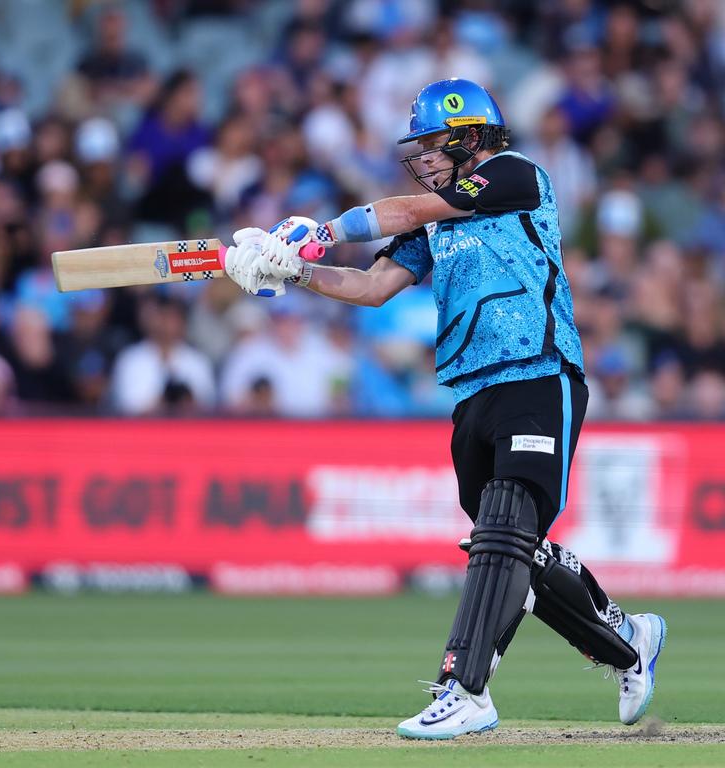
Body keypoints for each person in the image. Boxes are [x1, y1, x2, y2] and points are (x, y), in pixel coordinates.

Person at [222, 78, 666, 739]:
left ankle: (466, 688)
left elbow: (400, 212)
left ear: (473, 139)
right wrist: (293, 273)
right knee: (510, 546)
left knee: (506, 529)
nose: (425, 156)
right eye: (420, 146)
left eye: (435, 144)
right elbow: (373, 287)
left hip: (540, 375)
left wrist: (320, 230)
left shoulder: (515, 176)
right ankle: (629, 639)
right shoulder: (438, 221)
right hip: (472, 393)